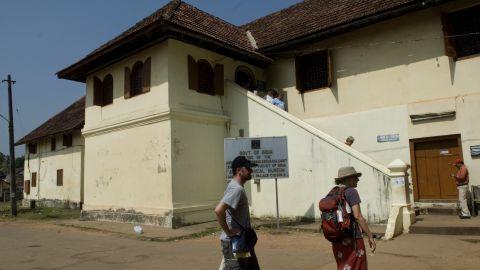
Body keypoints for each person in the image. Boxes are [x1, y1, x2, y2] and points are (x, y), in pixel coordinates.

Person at [215, 156, 260, 270]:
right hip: (235, 243)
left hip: (242, 242)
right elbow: (219, 210)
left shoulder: (234, 186)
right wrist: (229, 232)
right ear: (239, 170)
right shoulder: (237, 189)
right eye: (248, 168)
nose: (251, 170)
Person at [331, 166, 376, 270]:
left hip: (337, 238)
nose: (358, 180)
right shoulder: (351, 191)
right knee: (358, 266)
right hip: (353, 237)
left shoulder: (334, 192)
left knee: (344, 266)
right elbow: (358, 216)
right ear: (349, 179)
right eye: (355, 177)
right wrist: (370, 236)